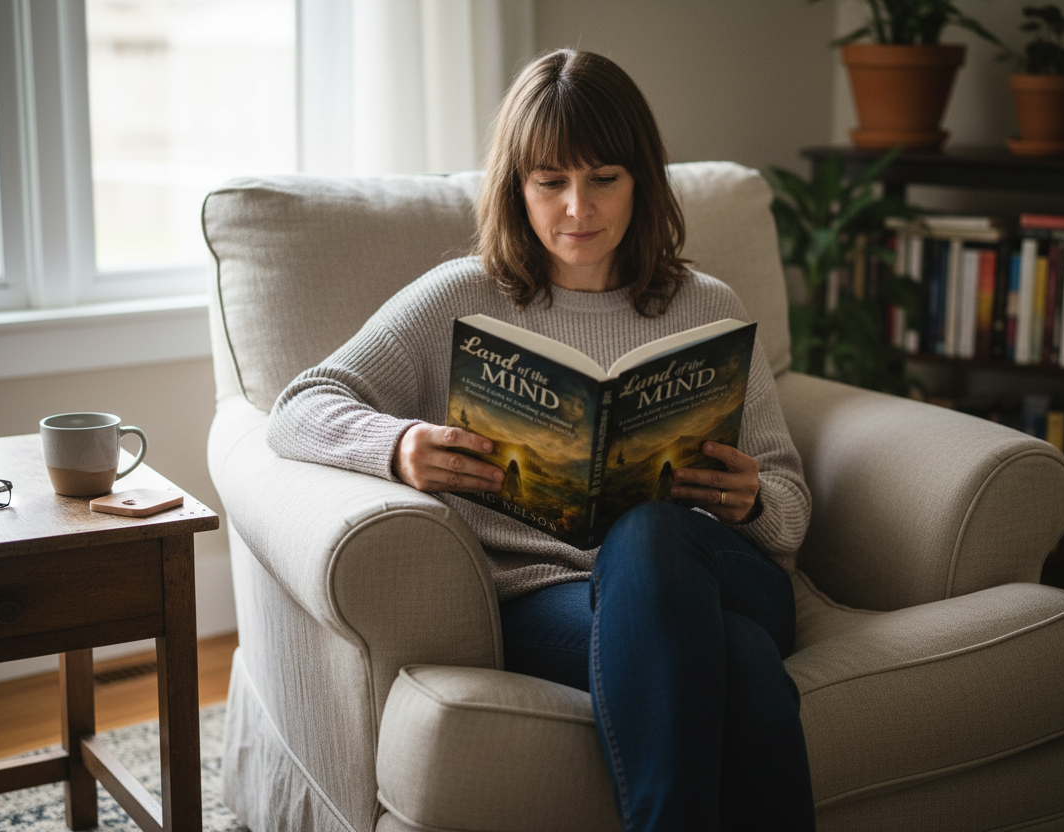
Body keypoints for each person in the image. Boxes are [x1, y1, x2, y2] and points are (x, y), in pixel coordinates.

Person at [267, 47, 816, 832]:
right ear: (517, 186)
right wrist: (398, 448)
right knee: (745, 667)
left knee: (652, 530)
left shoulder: (707, 308)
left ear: (642, 181)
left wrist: (753, 498)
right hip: (548, 601)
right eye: (550, 181)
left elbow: (792, 514)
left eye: (604, 178)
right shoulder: (462, 297)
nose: (576, 209)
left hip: (726, 575)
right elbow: (300, 404)